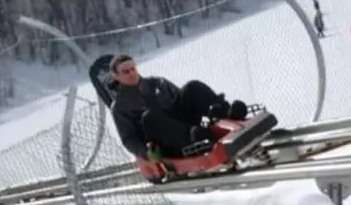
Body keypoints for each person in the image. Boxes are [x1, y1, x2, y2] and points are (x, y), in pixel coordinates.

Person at [106, 54, 250, 161]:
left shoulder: (156, 82)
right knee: (149, 117)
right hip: (163, 138)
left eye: (133, 68)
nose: (131, 73)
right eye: (125, 71)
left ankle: (226, 114)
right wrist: (146, 152)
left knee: (192, 87)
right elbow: (128, 138)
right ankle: (194, 137)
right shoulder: (120, 106)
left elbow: (181, 98)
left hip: (182, 122)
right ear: (116, 76)